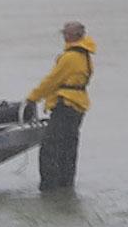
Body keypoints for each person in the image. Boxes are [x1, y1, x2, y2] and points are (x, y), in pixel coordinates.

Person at [26, 21, 96, 191]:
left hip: (65, 106)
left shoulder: (70, 57)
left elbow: (52, 80)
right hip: (78, 106)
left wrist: (32, 98)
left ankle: (49, 187)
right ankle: (66, 185)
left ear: (70, 36)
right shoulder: (85, 55)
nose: (63, 36)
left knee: (50, 148)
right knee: (68, 148)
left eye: (65, 33)